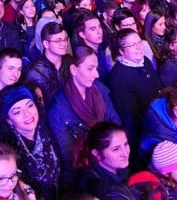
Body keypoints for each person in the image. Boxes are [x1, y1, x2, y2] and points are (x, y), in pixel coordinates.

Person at [49, 46, 122, 184]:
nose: (97, 74)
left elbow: (115, 123)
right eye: (90, 68)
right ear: (73, 70)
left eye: (96, 68)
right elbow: (68, 153)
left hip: (109, 159)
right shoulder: (58, 107)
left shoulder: (99, 89)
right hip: (83, 173)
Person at [0, 84, 60, 200]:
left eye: (30, 106)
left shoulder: (49, 127)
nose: (28, 114)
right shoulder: (1, 150)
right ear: (8, 120)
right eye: (17, 112)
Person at [107, 28, 163, 143]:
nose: (139, 47)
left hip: (159, 120)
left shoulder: (145, 61)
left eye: (139, 42)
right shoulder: (118, 78)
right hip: (145, 133)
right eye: (132, 45)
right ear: (121, 51)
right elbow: (129, 119)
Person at [73, 122, 140, 200]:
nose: (125, 153)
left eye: (125, 144)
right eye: (116, 149)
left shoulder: (115, 167)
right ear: (96, 153)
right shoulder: (107, 193)